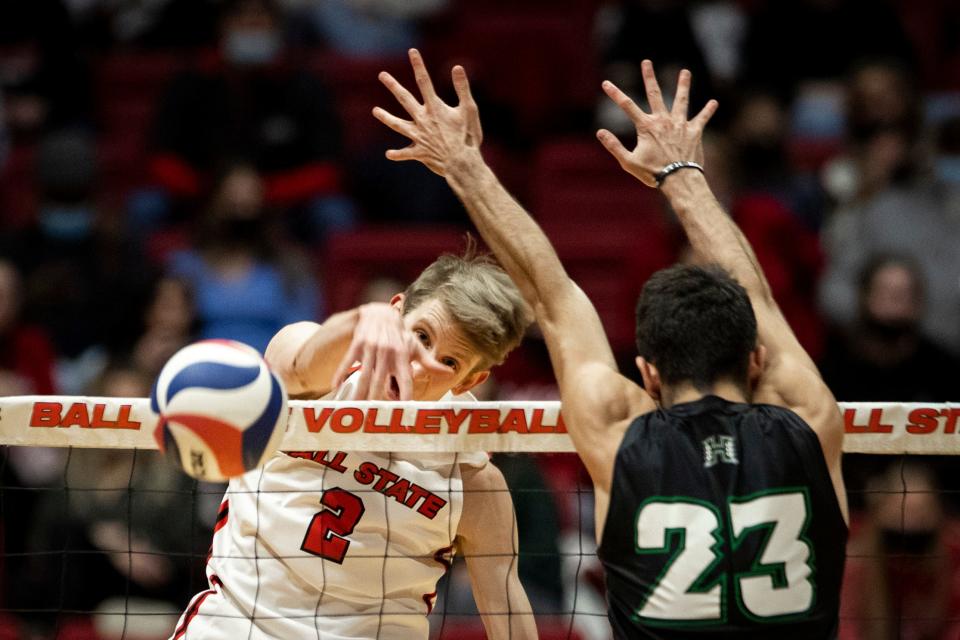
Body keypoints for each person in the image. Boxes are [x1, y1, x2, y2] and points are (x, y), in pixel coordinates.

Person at [374, 49, 848, 637]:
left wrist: (463, 163)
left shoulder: (620, 434)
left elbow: (554, 297)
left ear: (647, 374)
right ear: (755, 360)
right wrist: (684, 177)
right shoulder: (811, 421)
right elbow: (761, 298)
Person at [171, 249, 538, 639]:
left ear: (467, 383)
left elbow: (506, 605)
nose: (418, 367)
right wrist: (359, 321)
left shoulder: (472, 481)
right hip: (240, 627)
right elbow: (297, 364)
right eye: (420, 336)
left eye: (449, 363)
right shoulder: (315, 378)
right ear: (394, 313)